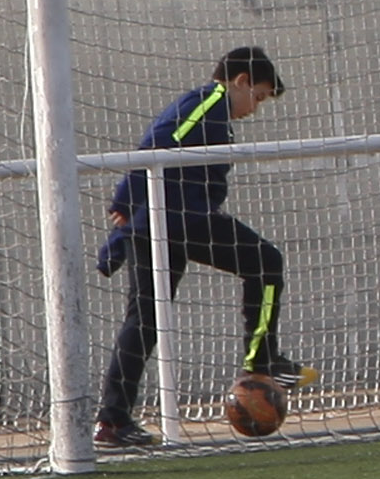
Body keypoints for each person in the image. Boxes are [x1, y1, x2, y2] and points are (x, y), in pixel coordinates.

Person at [92, 46, 303, 449]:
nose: (254, 108)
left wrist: (123, 234)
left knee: (145, 322)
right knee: (265, 261)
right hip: (176, 220)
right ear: (240, 81)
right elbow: (157, 143)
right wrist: (125, 199)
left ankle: (112, 421)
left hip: (168, 222)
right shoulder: (209, 101)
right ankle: (261, 359)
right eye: (256, 96)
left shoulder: (219, 115)